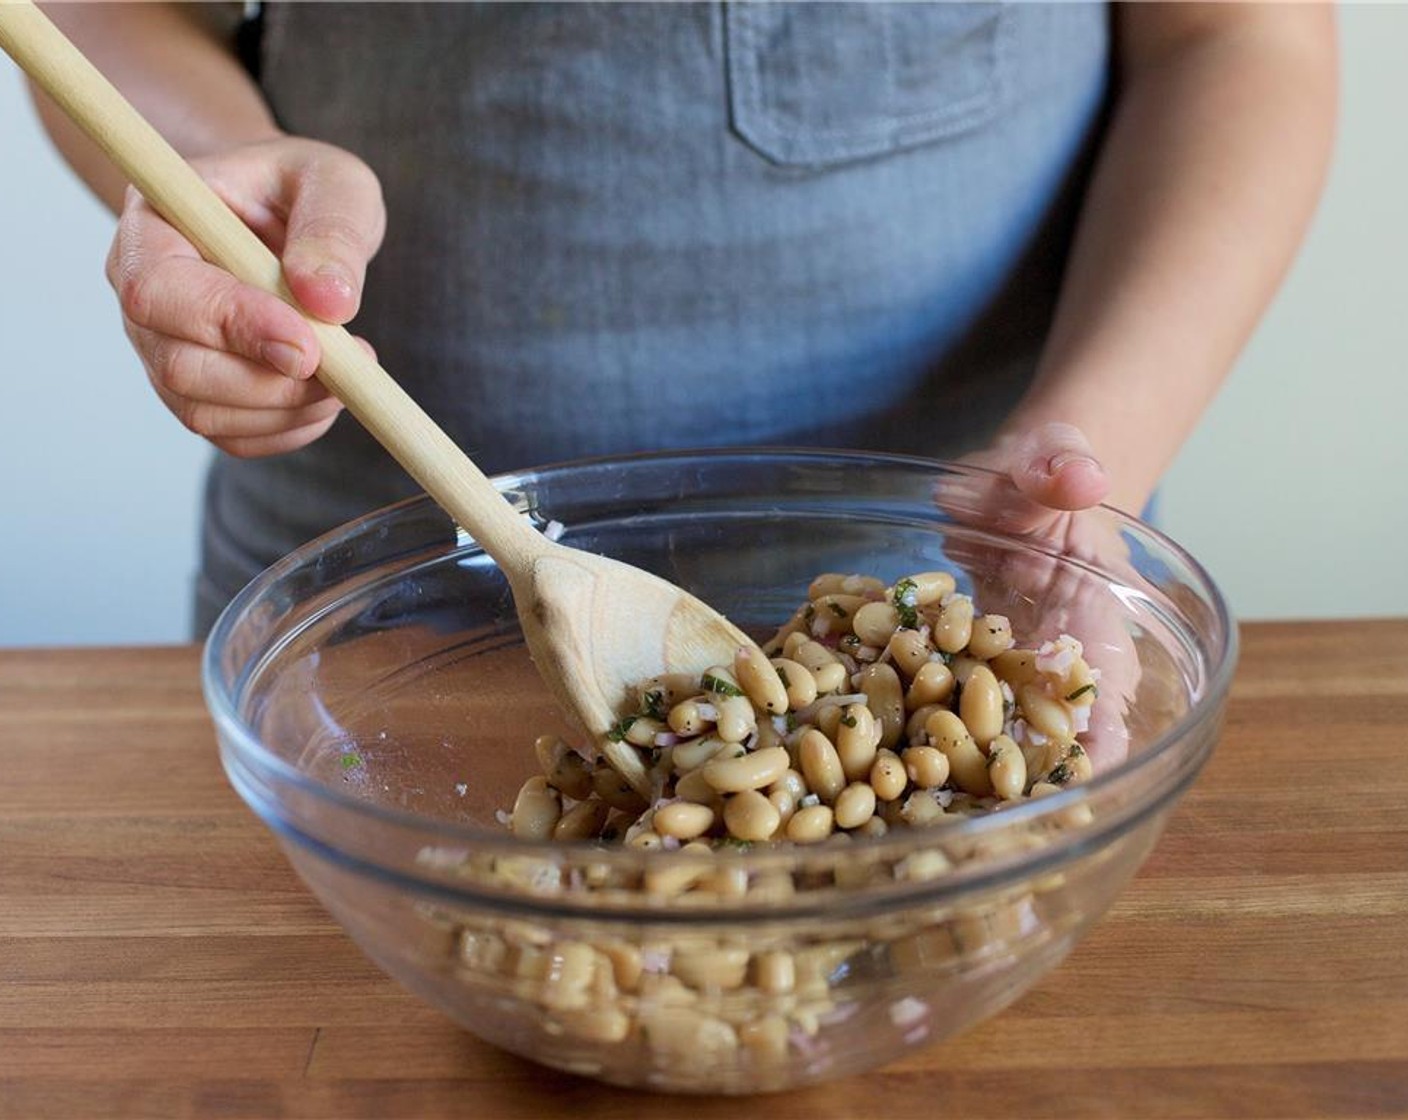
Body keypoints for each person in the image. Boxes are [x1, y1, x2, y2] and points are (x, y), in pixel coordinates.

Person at [28, 2, 1337, 639]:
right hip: (375, 612)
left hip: (984, 608)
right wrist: (214, 168)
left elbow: (1237, 37)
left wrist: (1092, 451)